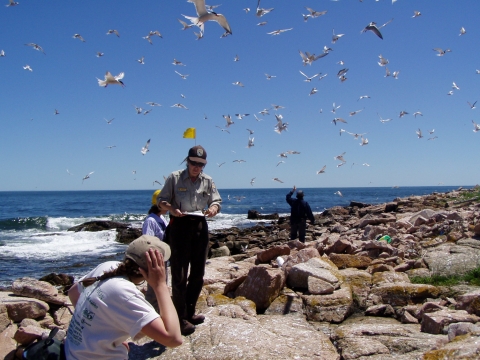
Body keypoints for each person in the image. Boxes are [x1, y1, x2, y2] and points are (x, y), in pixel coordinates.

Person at [64, 235, 182, 359]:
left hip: (71, 352)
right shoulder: (125, 294)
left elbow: (72, 293)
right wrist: (160, 285)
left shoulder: (107, 266)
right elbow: (173, 339)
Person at [157, 145, 222, 336]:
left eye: (200, 164)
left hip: (200, 227)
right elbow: (160, 200)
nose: (196, 167)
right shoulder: (174, 178)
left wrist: (214, 209)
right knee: (179, 274)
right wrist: (170, 209)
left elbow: (216, 201)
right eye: (193, 163)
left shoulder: (208, 181)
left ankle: (190, 311)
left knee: (198, 273)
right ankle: (179, 317)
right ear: (187, 161)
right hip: (179, 226)